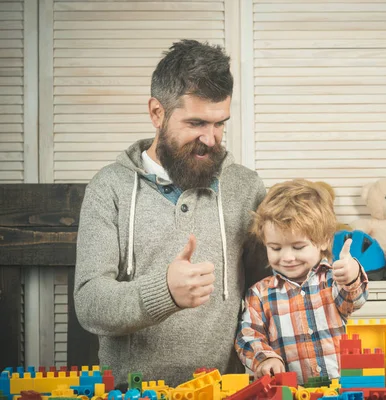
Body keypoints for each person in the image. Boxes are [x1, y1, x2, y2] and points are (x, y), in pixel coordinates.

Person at [74, 40, 269, 388]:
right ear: (156, 113)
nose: (211, 139)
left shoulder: (247, 188)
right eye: (196, 123)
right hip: (130, 392)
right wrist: (164, 291)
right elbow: (89, 303)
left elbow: (271, 287)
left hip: (224, 391)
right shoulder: (109, 188)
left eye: (220, 124)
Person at [235, 179, 369, 385]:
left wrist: (352, 274)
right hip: (290, 392)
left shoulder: (332, 279)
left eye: (298, 247)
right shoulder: (259, 293)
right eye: (276, 248)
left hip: (340, 390)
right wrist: (264, 357)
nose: (287, 257)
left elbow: (354, 299)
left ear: (324, 240)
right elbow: (248, 334)